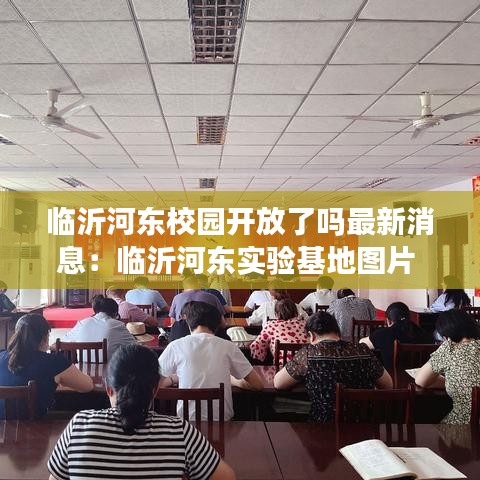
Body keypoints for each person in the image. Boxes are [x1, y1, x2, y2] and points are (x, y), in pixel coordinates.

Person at [48, 344, 235, 480]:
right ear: (155, 390)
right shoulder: (179, 432)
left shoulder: (79, 426)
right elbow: (227, 478)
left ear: (109, 389)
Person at [274, 311, 392, 422]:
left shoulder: (307, 354)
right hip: (364, 426)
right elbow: (388, 385)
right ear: (338, 332)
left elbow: (278, 383)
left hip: (323, 425)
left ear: (311, 335)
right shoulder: (363, 350)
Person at [159, 301, 263, 421]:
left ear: (188, 322)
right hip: (223, 423)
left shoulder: (176, 346)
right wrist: (232, 380)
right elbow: (257, 385)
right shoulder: (228, 346)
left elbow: (153, 382)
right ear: (217, 324)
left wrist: (173, 379)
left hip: (186, 424)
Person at [0, 314, 93, 418]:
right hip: (36, 427)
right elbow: (87, 386)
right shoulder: (53, 362)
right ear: (45, 337)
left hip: (3, 427)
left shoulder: (1, 356)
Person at [416, 310, 480, 424]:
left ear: (446, 337)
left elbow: (421, 381)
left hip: (464, 426)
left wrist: (450, 381)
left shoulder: (449, 348)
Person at [60, 295, 136, 361]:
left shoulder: (82, 323)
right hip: (109, 371)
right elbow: (135, 347)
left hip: (81, 370)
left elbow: (63, 341)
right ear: (115, 313)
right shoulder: (117, 325)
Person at [359, 302, 431, 370]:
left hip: (393, 377)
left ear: (388, 321)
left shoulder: (384, 334)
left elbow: (361, 343)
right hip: (422, 377)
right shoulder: (425, 334)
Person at [250, 298, 308, 366]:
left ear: (276, 314)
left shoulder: (271, 325)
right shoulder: (306, 324)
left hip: (281, 368)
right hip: (307, 367)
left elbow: (256, 346)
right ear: (296, 313)